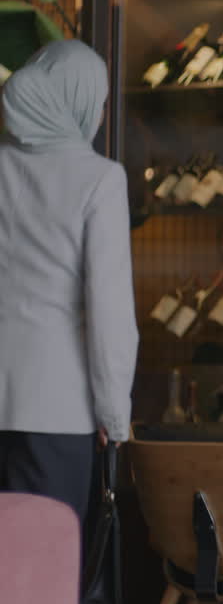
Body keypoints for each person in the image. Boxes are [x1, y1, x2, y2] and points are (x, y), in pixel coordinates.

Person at [0, 39, 136, 519]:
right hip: (56, 409)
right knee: (42, 574)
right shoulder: (99, 179)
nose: (99, 116)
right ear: (74, 101)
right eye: (98, 103)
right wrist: (113, 414)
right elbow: (109, 309)